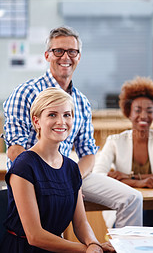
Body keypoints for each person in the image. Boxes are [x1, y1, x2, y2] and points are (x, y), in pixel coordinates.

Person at [2, 26, 143, 227]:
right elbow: (16, 151)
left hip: (69, 174)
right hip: (34, 177)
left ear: (78, 57)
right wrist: (52, 180)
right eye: (58, 51)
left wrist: (71, 180)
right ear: (47, 55)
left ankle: (118, 248)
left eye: (72, 51)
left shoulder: (82, 102)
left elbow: (88, 154)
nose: (65, 57)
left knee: (132, 199)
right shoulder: (25, 93)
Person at [0, 88, 114, 252]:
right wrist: (85, 249)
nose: (61, 121)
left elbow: (81, 223)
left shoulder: (72, 168)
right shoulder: (24, 165)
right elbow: (35, 236)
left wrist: (94, 244)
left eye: (67, 115)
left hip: (58, 248)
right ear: (37, 121)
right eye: (52, 115)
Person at [93, 77, 153, 226]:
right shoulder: (115, 141)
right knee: (137, 216)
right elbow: (98, 175)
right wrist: (141, 183)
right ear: (129, 113)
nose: (143, 116)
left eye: (149, 111)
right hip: (124, 208)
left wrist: (129, 178)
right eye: (138, 110)